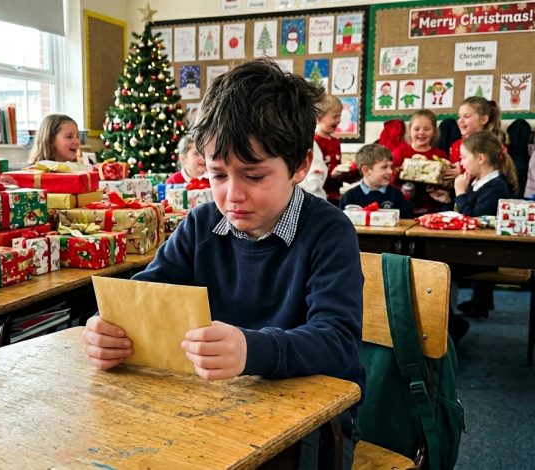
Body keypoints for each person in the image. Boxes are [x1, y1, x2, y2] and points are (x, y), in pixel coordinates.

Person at [81, 58, 364, 468]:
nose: (233, 196)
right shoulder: (202, 224)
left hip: (314, 426)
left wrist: (251, 349)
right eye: (217, 175)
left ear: (300, 166)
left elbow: (337, 342)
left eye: (254, 176)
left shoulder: (329, 231)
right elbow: (146, 296)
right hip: (216, 406)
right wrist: (107, 330)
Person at [450, 131, 518, 339]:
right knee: (431, 261)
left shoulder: (496, 186)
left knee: (436, 266)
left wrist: (460, 193)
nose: (461, 163)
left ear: (480, 158)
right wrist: (450, 197)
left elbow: (473, 221)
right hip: (475, 251)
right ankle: (448, 321)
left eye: (463, 158)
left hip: (486, 253)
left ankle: (451, 325)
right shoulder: (480, 181)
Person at [392, 109, 448, 214]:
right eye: (417, 129)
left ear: (434, 131)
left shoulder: (440, 156)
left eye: (426, 129)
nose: (421, 133)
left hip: (432, 209)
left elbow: (445, 184)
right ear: (410, 130)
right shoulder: (399, 152)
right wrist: (400, 170)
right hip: (402, 209)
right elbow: (389, 180)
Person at [338, 143, 414, 219]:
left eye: (391, 167)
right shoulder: (349, 197)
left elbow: (406, 222)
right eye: (384, 167)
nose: (390, 171)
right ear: (366, 170)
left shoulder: (397, 195)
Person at [314, 94, 355, 205]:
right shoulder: (313, 142)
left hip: (336, 196)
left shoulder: (335, 142)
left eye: (340, 116)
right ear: (319, 118)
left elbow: (338, 169)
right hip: (319, 196)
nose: (339, 120)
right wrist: (330, 174)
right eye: (335, 117)